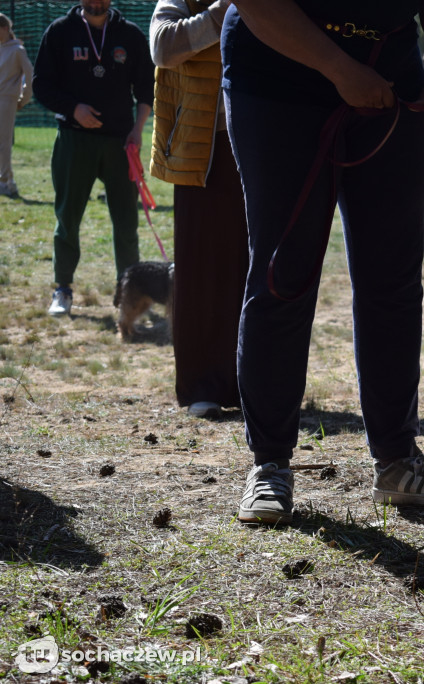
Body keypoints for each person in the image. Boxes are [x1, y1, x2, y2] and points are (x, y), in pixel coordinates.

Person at [222, 0, 424, 524]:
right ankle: (269, 463)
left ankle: (397, 459)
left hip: (389, 69)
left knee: (394, 276)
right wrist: (340, 69)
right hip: (277, 72)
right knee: (282, 273)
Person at [149, 0, 247, 420]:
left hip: (264, 147)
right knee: (198, 274)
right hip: (201, 154)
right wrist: (220, 12)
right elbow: (162, 48)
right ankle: (201, 385)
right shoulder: (180, 1)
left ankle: (253, 384)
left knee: (257, 271)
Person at [33, 0, 154, 317]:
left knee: (126, 222)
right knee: (68, 218)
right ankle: (63, 288)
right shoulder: (60, 31)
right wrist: (74, 108)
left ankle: (129, 290)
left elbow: (146, 88)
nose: (96, 2)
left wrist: (138, 129)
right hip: (75, 139)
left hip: (120, 141)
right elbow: (41, 85)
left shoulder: (130, 34)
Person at [0, 13, 33, 198]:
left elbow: (30, 75)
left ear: (5, 28)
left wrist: (23, 98)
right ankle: (7, 180)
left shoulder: (17, 50)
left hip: (6, 99)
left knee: (3, 142)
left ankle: (5, 182)